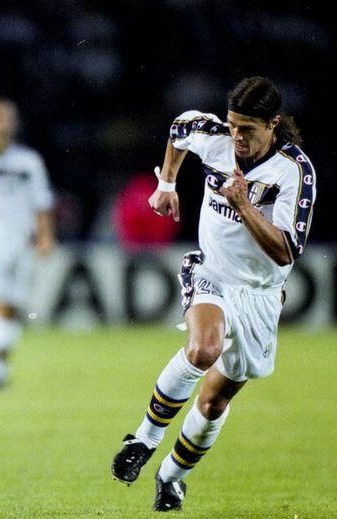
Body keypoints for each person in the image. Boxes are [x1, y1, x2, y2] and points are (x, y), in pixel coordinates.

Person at [111, 76, 315, 511]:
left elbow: (285, 250)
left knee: (215, 400)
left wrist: (243, 205)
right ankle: (143, 439)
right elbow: (179, 129)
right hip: (212, 272)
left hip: (261, 293)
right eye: (233, 124)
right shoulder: (216, 136)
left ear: (273, 124)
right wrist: (167, 184)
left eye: (248, 129)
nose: (237, 136)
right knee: (204, 348)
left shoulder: (294, 171)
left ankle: (172, 477)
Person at [0, 97, 55, 388]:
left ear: (14, 124)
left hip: (21, 241)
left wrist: (45, 236)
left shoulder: (28, 161)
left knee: (12, 302)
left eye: (4, 118)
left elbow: (42, 202)